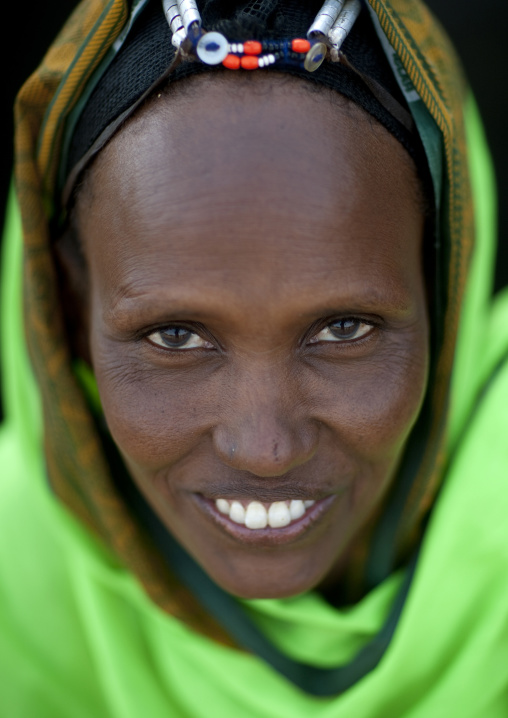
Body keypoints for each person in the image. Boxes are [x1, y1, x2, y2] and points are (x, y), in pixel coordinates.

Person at [1, 0, 507, 714]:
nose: (266, 447)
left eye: (344, 329)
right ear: (68, 311)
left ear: (445, 296)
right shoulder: (13, 572)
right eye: (175, 336)